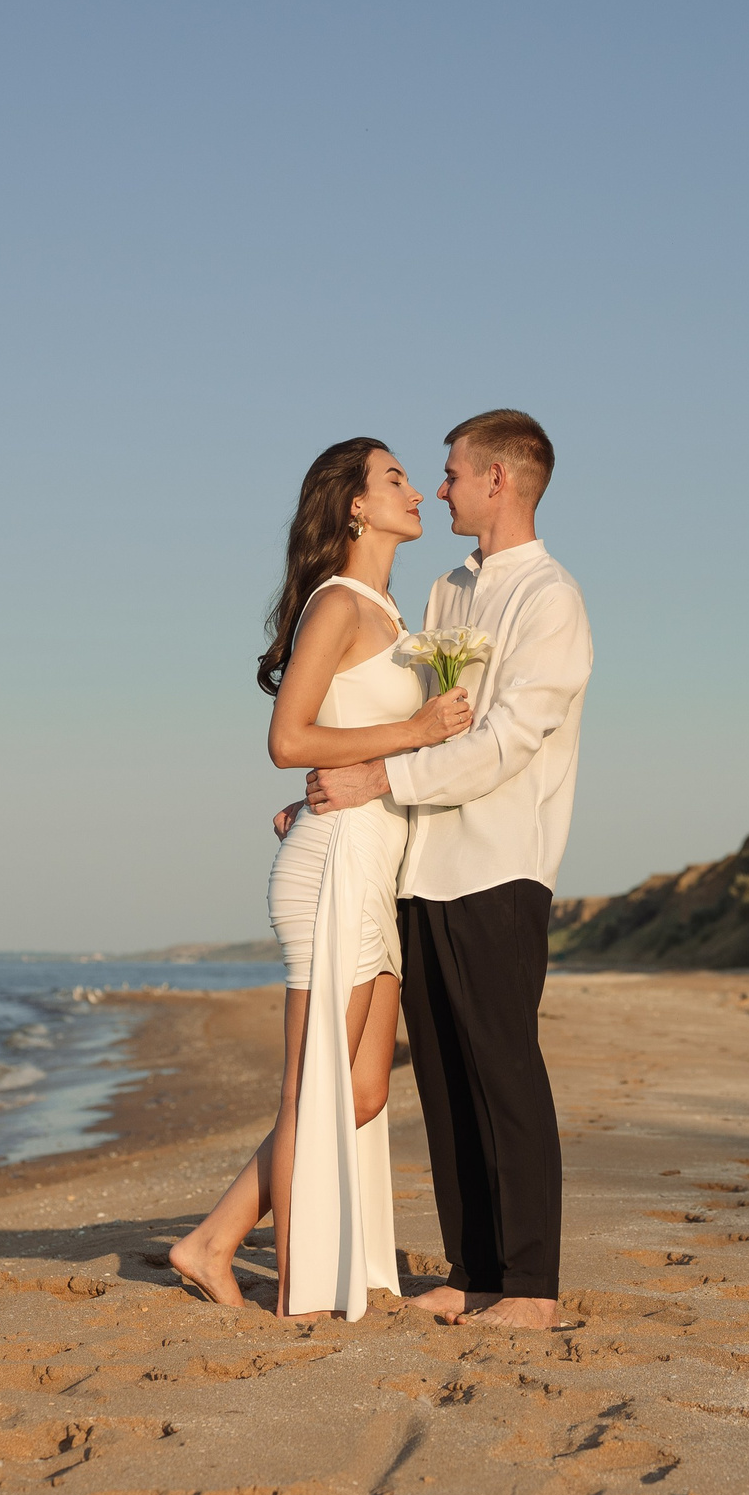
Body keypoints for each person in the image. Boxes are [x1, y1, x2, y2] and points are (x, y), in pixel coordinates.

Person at [166, 438, 473, 1319]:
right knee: (314, 1091)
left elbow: (351, 740)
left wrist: (406, 741)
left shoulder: (392, 611)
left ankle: (212, 1240)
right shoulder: (338, 604)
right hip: (333, 865)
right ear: (353, 506)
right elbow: (288, 741)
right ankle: (298, 1293)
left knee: (366, 1089)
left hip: (372, 867)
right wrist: (412, 733)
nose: (416, 491)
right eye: (395, 480)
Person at [303, 409, 593, 1330]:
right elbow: (420, 717)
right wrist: (350, 787)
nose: (440, 488)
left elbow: (506, 740)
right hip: (421, 863)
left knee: (505, 1071)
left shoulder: (550, 598)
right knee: (442, 1076)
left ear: (499, 480)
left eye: (455, 473)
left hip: (501, 864)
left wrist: (379, 774)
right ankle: (473, 1270)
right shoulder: (444, 592)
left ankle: (533, 1287)